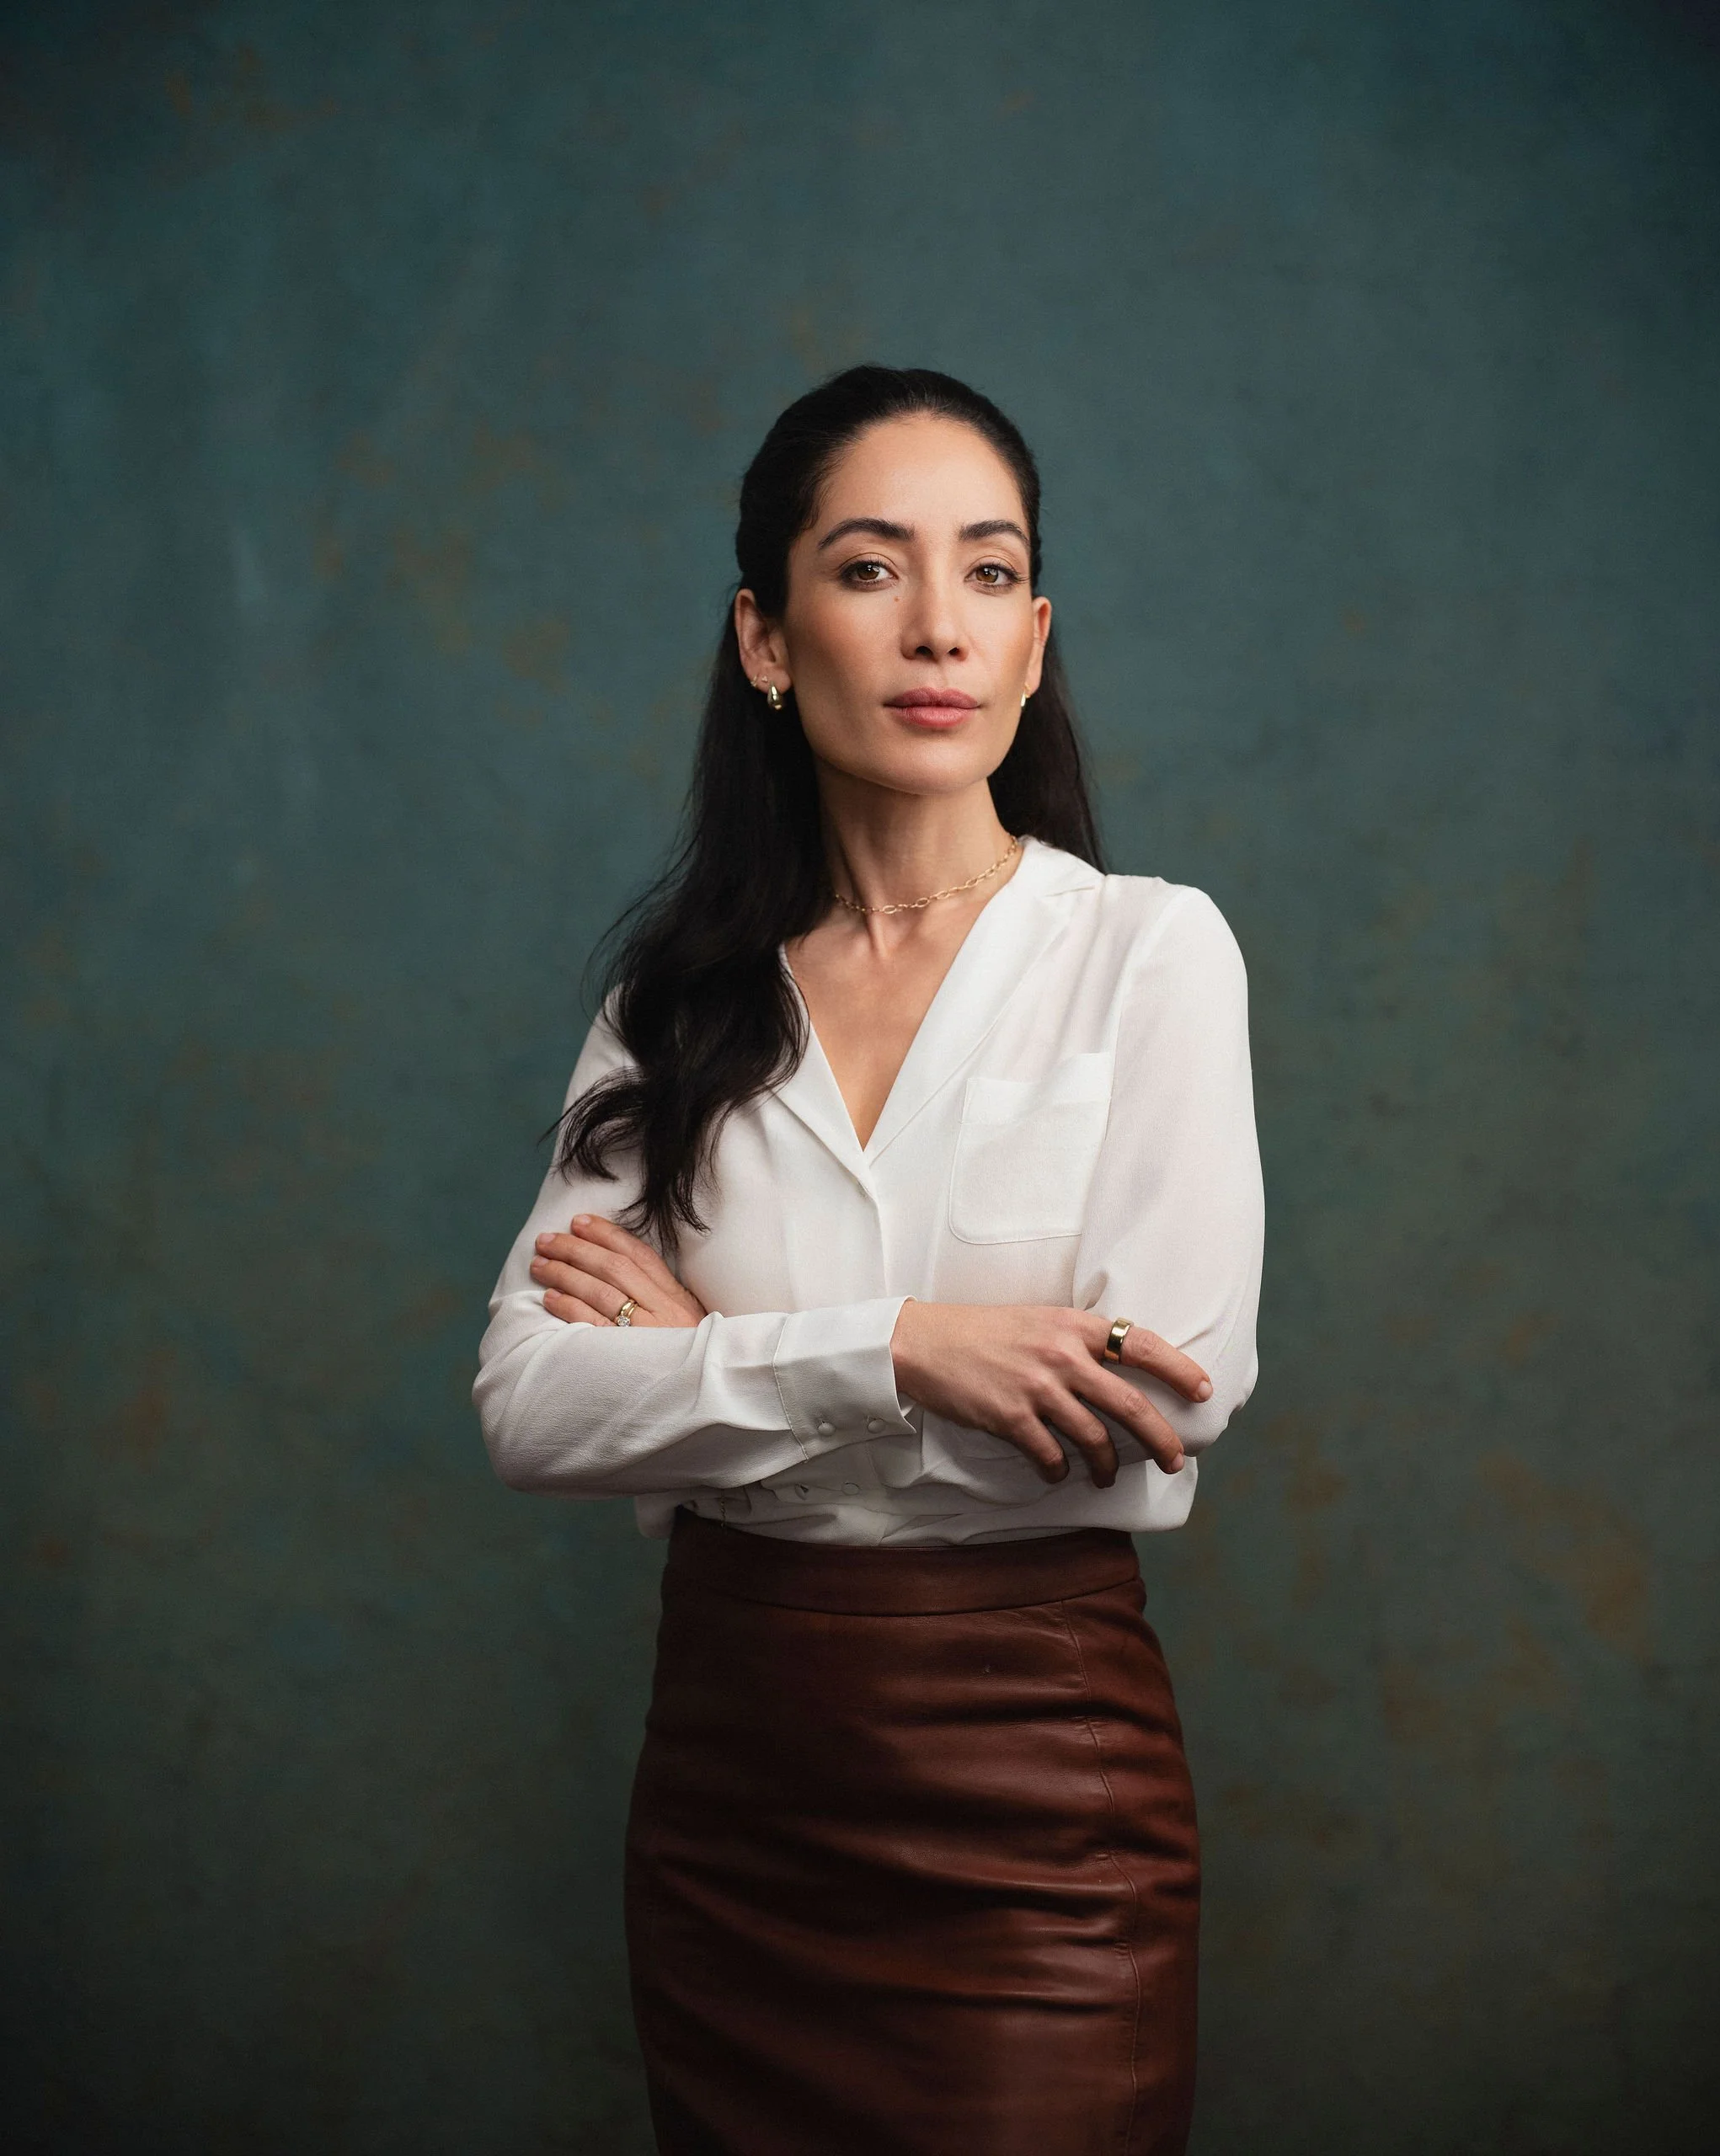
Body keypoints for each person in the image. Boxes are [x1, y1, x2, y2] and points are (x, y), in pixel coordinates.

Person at [474, 365, 1263, 2156]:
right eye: (867, 567)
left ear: (1036, 638)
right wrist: (901, 1349)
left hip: (1038, 1788)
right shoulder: (677, 1003)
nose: (936, 626)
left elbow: (1158, 1396)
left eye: (988, 571)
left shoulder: (1146, 955)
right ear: (766, 637)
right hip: (733, 1793)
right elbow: (529, 1403)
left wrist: (709, 1362)